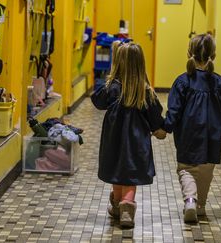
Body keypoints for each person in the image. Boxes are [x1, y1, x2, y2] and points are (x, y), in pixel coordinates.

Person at [161, 33, 221, 223]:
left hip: (188, 134)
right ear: (214, 55)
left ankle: (190, 200)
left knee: (186, 169)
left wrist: (165, 127)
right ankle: (200, 205)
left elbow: (174, 111)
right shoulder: (220, 83)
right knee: (206, 170)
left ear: (189, 53)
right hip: (213, 135)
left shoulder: (183, 82)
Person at [91, 42, 165, 228]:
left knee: (116, 172)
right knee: (130, 175)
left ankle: (117, 206)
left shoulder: (112, 88)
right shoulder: (145, 92)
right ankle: (126, 206)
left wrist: (110, 77)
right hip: (137, 144)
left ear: (117, 64)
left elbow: (97, 100)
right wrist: (160, 130)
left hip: (113, 142)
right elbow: (156, 117)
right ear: (141, 64)